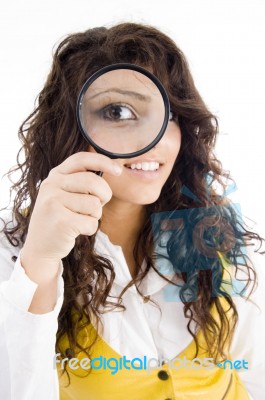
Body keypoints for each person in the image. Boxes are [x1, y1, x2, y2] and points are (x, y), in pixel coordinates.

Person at [0, 22, 264, 400]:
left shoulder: (209, 229)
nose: (152, 141)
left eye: (169, 114)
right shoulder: (15, 248)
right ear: (68, 127)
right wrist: (40, 263)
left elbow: (255, 371)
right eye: (118, 111)